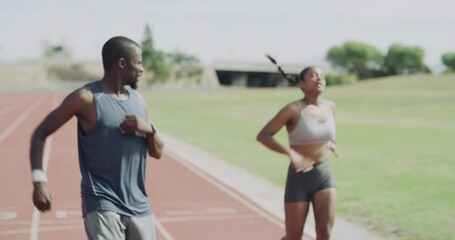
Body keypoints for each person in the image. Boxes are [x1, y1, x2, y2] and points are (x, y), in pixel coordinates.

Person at [30, 36, 164, 240]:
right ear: (121, 63)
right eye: (138, 63)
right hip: (103, 204)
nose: (142, 69)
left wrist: (150, 130)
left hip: (140, 206)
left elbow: (157, 153)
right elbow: (40, 133)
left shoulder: (139, 101)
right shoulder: (86, 98)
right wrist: (39, 181)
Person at [257, 56, 339, 240]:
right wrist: (291, 153)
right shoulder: (293, 109)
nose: (319, 79)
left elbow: (329, 133)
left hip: (323, 175)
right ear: (301, 84)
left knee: (325, 234)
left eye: (322, 76)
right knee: (293, 237)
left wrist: (332, 143)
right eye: (313, 75)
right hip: (299, 178)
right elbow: (263, 135)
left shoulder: (330, 107)